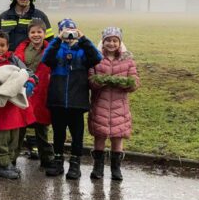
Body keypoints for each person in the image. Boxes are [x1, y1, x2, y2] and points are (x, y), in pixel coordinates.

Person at [0, 0, 54, 159]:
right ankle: (11, 154)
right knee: (16, 110)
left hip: (37, 70)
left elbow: (49, 45)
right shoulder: (4, 17)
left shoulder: (40, 17)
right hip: (9, 71)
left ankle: (35, 146)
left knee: (37, 110)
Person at [42, 18, 102, 180]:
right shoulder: (57, 49)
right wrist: (57, 39)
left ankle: (75, 164)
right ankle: (58, 161)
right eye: (66, 31)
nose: (69, 35)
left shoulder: (82, 50)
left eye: (72, 31)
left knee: (77, 135)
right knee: (58, 133)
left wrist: (83, 39)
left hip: (77, 101)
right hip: (58, 100)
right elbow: (46, 59)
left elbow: (97, 58)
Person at [0, 32, 36, 180]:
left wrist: (30, 81)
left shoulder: (13, 59)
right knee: (3, 136)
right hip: (0, 105)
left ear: (8, 46)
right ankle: (1, 165)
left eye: (2, 45)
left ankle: (10, 162)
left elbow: (26, 72)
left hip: (14, 104)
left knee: (14, 135)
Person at [88, 27, 140, 181]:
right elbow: (91, 80)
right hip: (100, 106)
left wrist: (123, 82)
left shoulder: (127, 60)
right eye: (108, 40)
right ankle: (98, 168)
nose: (111, 43)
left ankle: (116, 169)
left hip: (120, 108)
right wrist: (100, 81)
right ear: (103, 42)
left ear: (119, 42)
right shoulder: (95, 59)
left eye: (114, 40)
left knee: (117, 138)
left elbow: (135, 82)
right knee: (100, 137)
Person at [13, 18, 55, 168]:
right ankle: (11, 160)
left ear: (44, 33)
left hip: (42, 94)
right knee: (19, 130)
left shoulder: (51, 50)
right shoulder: (21, 50)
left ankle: (47, 160)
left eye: (39, 32)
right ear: (28, 34)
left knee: (42, 130)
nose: (36, 35)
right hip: (25, 93)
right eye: (33, 32)